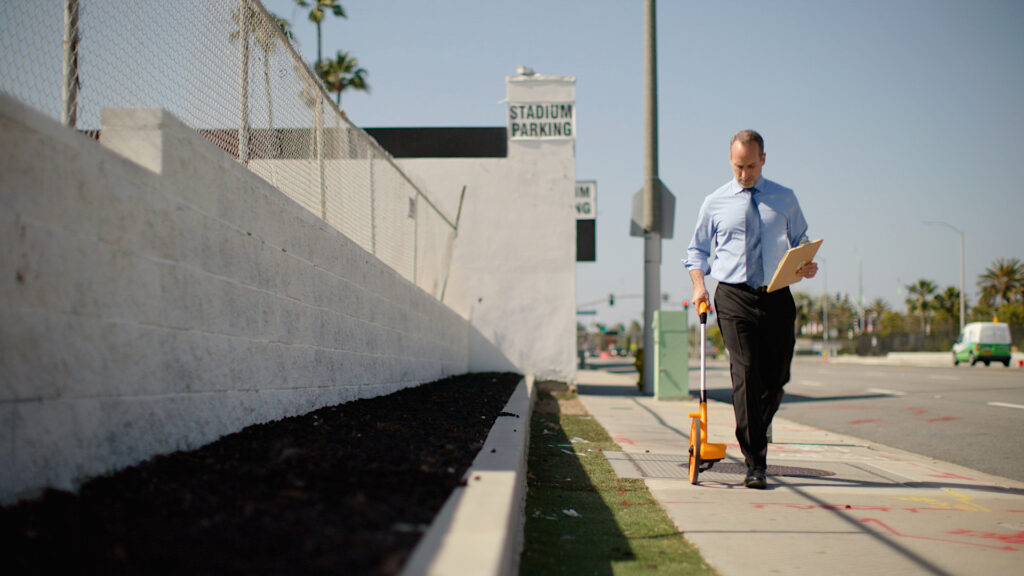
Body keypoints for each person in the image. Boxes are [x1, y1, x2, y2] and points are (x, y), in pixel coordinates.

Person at [684, 129, 818, 489]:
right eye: (738, 167)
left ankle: (751, 425)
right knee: (745, 373)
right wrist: (699, 285)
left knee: (776, 379)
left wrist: (806, 263)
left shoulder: (785, 198)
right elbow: (696, 252)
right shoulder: (715, 202)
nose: (744, 174)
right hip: (733, 296)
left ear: (763, 160)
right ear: (731, 161)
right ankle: (755, 462)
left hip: (777, 294)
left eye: (751, 167)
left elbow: (801, 240)